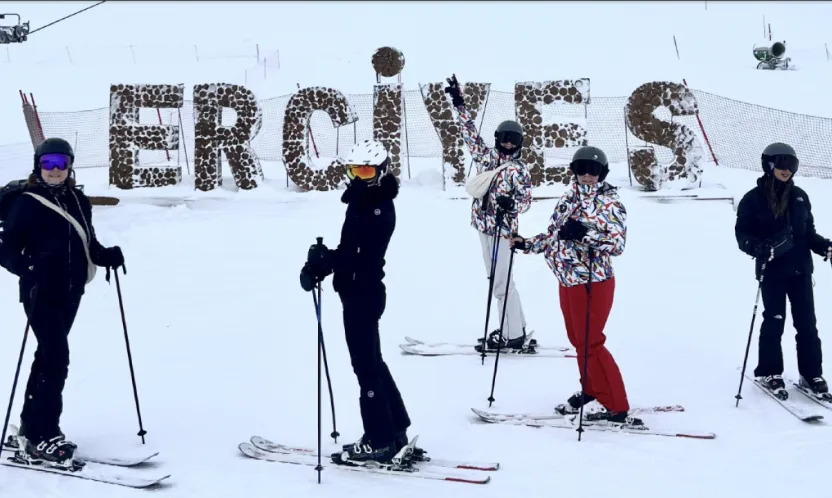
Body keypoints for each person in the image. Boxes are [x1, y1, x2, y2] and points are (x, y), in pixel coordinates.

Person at [0, 138, 125, 469]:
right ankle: (46, 432)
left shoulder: (78, 200)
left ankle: (30, 426)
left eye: (61, 162)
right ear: (37, 165)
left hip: (71, 290)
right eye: (48, 163)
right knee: (57, 357)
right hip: (39, 291)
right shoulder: (26, 203)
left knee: (47, 356)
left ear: (70, 165)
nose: (54, 170)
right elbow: (6, 248)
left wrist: (106, 255)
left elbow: (88, 242)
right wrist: (27, 268)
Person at [299, 139, 412, 465]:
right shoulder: (366, 198)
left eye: (366, 170)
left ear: (381, 170)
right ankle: (396, 427)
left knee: (365, 368)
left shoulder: (377, 208)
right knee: (372, 361)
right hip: (358, 290)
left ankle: (379, 439)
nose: (360, 177)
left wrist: (326, 261)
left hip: (363, 292)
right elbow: (350, 249)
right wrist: (327, 260)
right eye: (355, 170)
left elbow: (358, 255)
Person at [511, 146, 640, 426]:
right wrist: (528, 244)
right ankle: (592, 388)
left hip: (594, 281)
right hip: (567, 278)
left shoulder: (610, 203)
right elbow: (555, 235)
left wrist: (585, 233)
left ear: (602, 173)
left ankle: (616, 405)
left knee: (591, 342)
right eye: (581, 169)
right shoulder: (569, 197)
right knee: (577, 340)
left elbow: (617, 245)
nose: (587, 176)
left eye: (593, 171)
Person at [735, 142, 832, 400]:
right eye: (781, 164)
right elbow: (742, 234)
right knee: (774, 321)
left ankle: (811, 374)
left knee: (807, 325)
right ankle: (770, 371)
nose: (786, 170)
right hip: (772, 271)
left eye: (792, 165)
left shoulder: (800, 197)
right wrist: (757, 246)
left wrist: (824, 247)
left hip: (800, 271)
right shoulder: (753, 199)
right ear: (769, 165)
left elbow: (807, 234)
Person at [444, 74, 533, 351]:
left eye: (513, 140)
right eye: (504, 139)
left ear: (519, 143)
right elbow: (468, 132)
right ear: (497, 140)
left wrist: (511, 205)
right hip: (483, 227)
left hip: (503, 232)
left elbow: (527, 200)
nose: (508, 144)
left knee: (501, 284)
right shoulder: (486, 157)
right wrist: (459, 104)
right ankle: (515, 328)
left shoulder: (519, 170)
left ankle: (512, 335)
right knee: (500, 281)